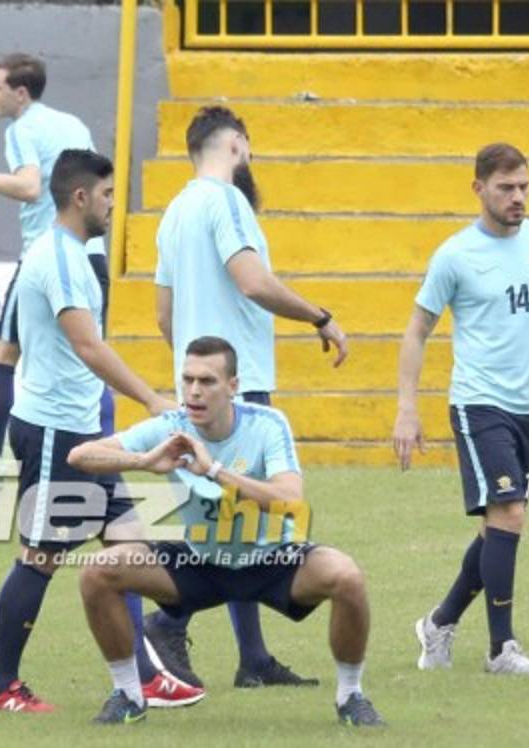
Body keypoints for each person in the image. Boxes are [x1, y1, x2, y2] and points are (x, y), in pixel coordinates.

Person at [69, 337, 385, 726]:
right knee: (97, 572)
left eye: (208, 381)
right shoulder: (172, 427)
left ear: (233, 386)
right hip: (199, 560)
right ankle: (128, 695)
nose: (194, 392)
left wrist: (216, 473)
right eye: (187, 380)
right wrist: (144, 461)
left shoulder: (267, 424)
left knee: (347, 578)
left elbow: (290, 497)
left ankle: (351, 696)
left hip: (274, 559)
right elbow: (80, 456)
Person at [0, 149, 195, 713]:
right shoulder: (61, 259)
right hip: (56, 434)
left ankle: (144, 676)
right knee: (40, 558)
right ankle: (2, 687)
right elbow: (87, 345)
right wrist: (150, 398)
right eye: (106, 195)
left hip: (79, 434)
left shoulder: (69, 252)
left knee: (129, 551)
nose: (112, 205)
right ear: (80, 197)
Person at [144, 104, 349, 692]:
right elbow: (253, 281)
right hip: (236, 380)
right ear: (236, 144)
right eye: (248, 150)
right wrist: (321, 317)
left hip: (197, 383)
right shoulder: (226, 201)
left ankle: (253, 657)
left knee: (234, 521)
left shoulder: (175, 211)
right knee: (245, 517)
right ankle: (169, 619)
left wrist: (194, 370)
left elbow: (163, 313)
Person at [393, 142, 529, 674]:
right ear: (479, 189)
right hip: (478, 405)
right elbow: (417, 330)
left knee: (498, 528)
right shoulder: (455, 256)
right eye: (506, 188)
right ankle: (502, 649)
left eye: (524, 187)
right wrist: (408, 408)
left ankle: (438, 623)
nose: (518, 197)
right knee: (510, 513)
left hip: (528, 409)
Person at [0, 53, 115, 466]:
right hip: (92, 257)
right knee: (90, 357)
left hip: (48, 255)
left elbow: (29, 187)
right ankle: (103, 452)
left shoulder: (23, 128)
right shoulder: (71, 123)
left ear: (21, 93)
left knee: (3, 356)